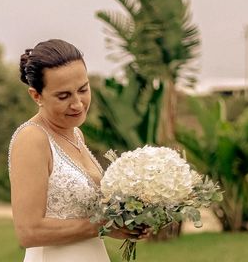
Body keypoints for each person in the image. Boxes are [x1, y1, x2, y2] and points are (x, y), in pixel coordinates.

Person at [8, 39, 147, 261]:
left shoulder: (75, 134)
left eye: (83, 89)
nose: (78, 104)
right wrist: (103, 226)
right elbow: (29, 232)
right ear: (36, 96)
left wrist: (129, 219)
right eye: (63, 96)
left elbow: (87, 217)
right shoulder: (31, 139)